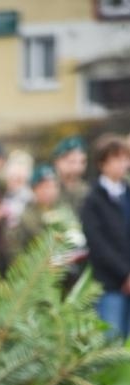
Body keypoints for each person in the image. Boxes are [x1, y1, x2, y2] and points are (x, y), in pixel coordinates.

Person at [81, 134, 130, 340]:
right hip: (110, 284)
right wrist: (125, 274)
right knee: (111, 340)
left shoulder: (127, 194)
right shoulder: (93, 200)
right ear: (103, 163)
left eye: (125, 158)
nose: (123, 164)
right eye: (116, 159)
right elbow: (98, 244)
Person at [52, 135, 89, 215]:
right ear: (57, 162)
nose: (77, 167)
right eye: (71, 162)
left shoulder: (87, 191)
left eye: (82, 162)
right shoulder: (48, 189)